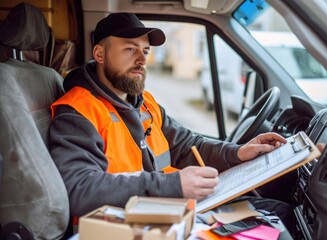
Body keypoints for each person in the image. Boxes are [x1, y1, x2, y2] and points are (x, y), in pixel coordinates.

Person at [49, 13, 294, 230]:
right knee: (278, 218)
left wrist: (238, 152)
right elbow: (78, 188)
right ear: (100, 54)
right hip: (122, 227)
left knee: (276, 211)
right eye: (130, 49)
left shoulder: (145, 103)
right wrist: (172, 185)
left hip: (166, 211)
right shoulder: (77, 111)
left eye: (145, 51)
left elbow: (187, 146)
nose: (142, 60)